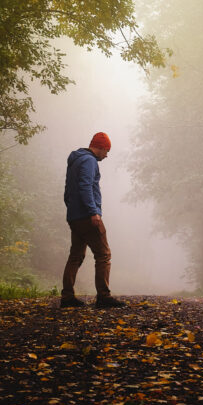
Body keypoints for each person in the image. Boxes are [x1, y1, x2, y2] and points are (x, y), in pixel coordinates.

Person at [61, 132, 126, 308]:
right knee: (104, 255)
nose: (107, 155)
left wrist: (72, 209)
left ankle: (67, 297)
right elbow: (85, 186)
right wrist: (93, 211)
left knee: (75, 256)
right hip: (88, 217)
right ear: (100, 147)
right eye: (106, 151)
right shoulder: (89, 161)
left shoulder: (75, 160)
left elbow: (68, 190)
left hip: (75, 216)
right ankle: (104, 297)